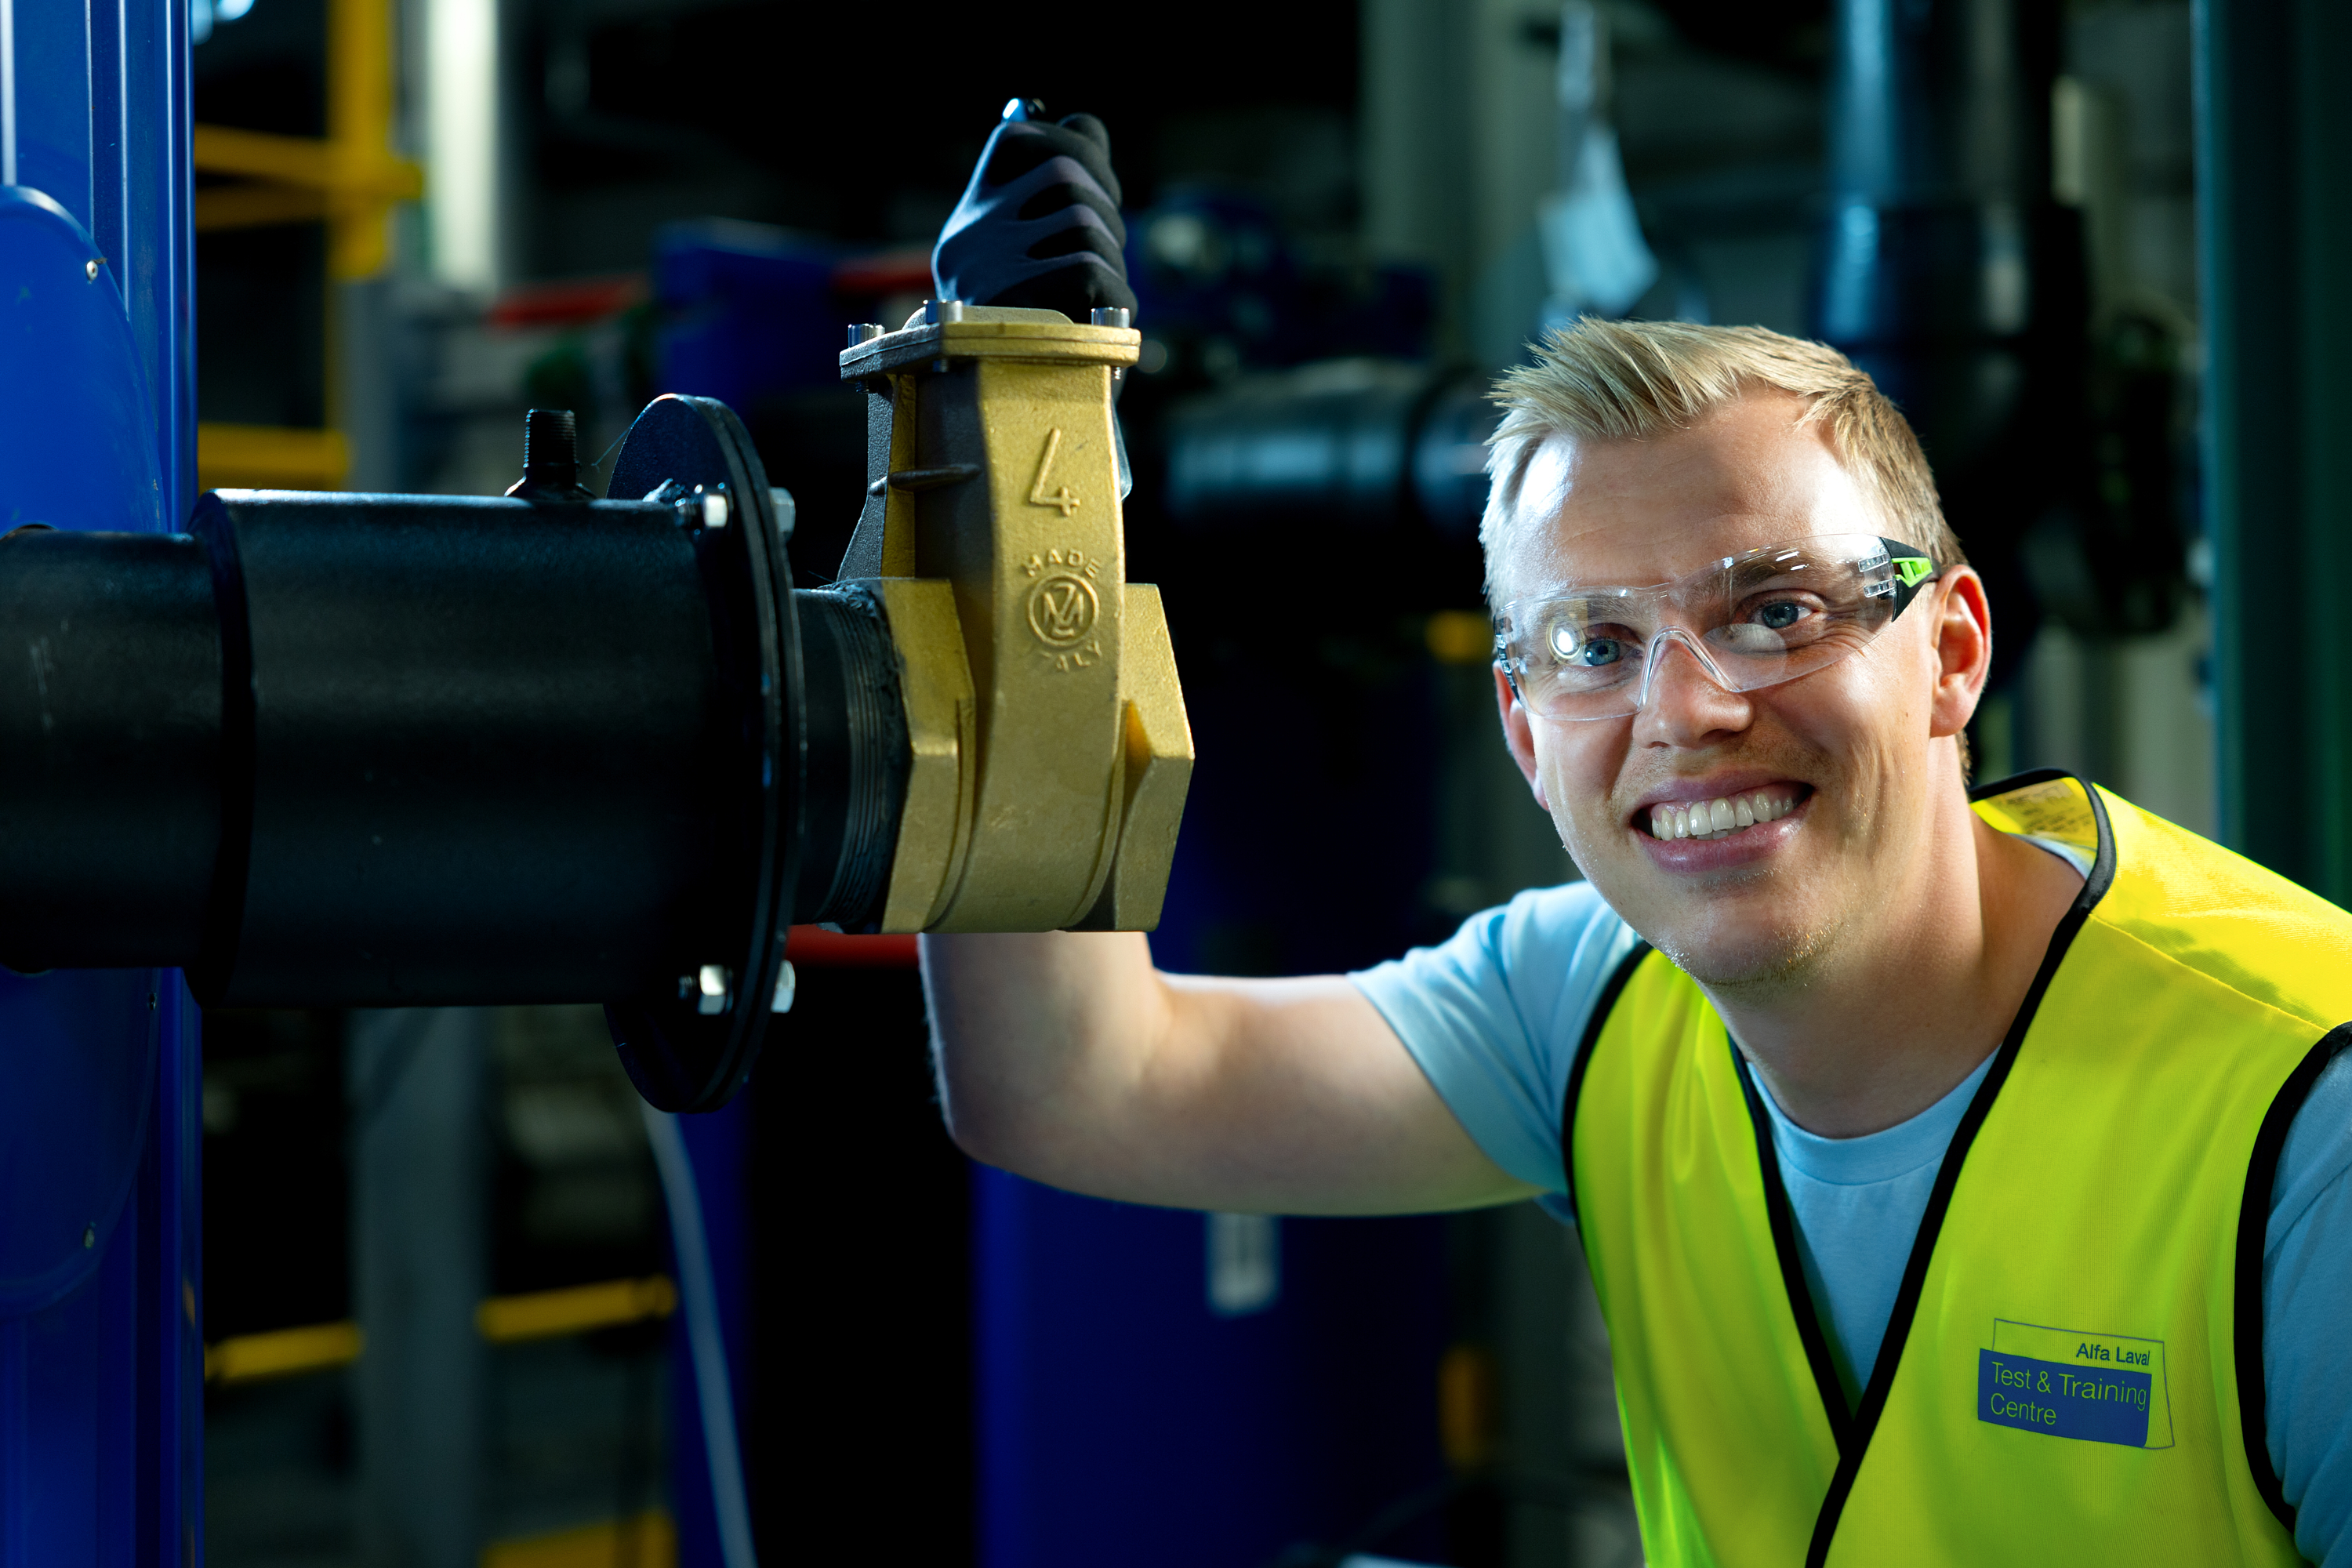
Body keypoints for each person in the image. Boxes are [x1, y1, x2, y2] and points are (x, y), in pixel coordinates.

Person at [924, 113, 2352, 1568]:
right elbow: (1078, 1081)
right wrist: (1014, 473)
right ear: (1524, 733)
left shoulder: (2309, 1135)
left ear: (1952, 652)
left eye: (1776, 612)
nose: (1686, 710)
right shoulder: (1595, 995)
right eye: (1595, 645)